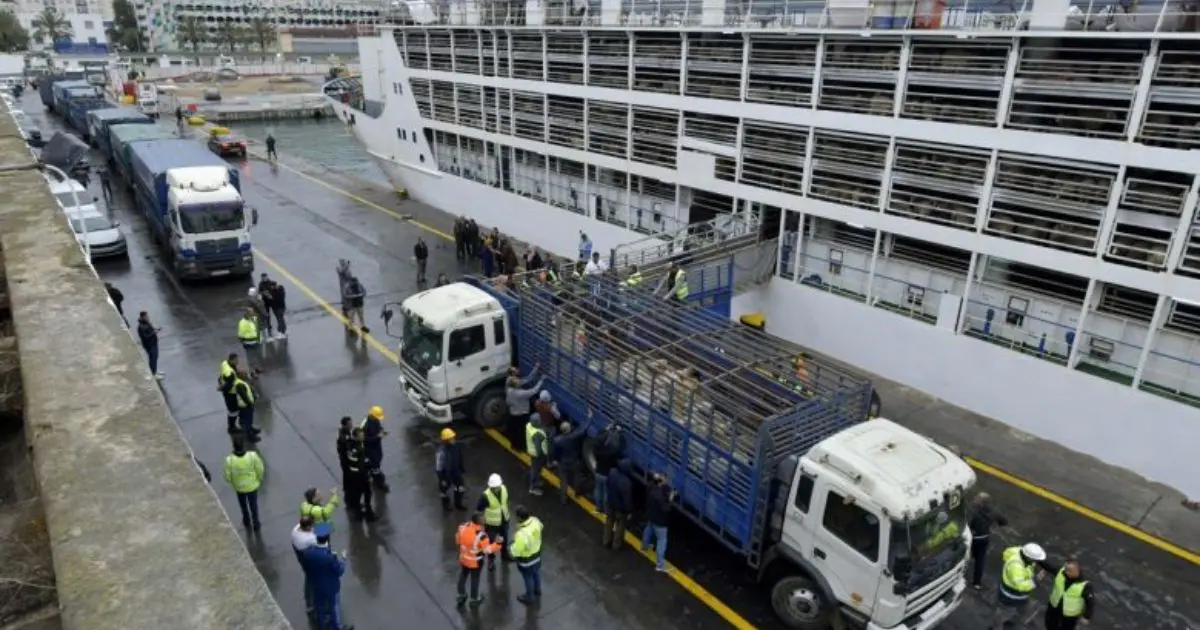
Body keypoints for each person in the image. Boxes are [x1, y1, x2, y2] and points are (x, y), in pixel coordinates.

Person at [301, 523, 353, 630]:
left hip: (317, 585)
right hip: (331, 587)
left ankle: (322, 625)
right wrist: (343, 558)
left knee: (319, 605)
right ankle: (338, 627)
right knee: (334, 607)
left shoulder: (308, 553)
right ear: (327, 539)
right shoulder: (330, 558)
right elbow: (339, 571)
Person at [989, 542, 1047, 630]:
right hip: (1010, 597)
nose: (1036, 562)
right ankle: (995, 627)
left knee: (1017, 611)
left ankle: (1009, 622)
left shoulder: (1020, 552)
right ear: (1028, 558)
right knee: (1002, 614)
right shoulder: (1016, 566)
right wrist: (1036, 580)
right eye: (1035, 560)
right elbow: (1021, 586)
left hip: (1018, 597)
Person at [455, 512, 502, 607]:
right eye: (482, 519)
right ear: (478, 521)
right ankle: (474, 599)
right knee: (475, 579)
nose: (484, 520)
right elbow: (487, 550)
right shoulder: (481, 536)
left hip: (464, 558)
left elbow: (457, 540)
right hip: (475, 561)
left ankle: (461, 595)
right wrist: (497, 544)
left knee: (463, 576)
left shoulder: (463, 527)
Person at [968, 492, 1009, 590]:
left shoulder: (972, 510)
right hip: (984, 538)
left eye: (976, 498)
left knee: (966, 555)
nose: (974, 498)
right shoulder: (993, 512)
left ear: (981, 503)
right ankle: (976, 583)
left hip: (972, 538)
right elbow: (1004, 521)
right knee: (980, 561)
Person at [222, 436, 264, 530]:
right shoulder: (252, 456)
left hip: (239, 487)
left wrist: (232, 481)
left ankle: (246, 521)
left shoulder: (230, 460)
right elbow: (260, 468)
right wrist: (259, 478)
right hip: (252, 486)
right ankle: (256, 523)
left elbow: (227, 476)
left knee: (243, 505)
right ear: (243, 445)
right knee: (253, 506)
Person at [1043, 558, 1094, 630]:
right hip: (1053, 607)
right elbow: (1048, 567)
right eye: (1066, 569)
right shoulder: (1061, 572)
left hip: (1070, 616)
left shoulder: (1085, 585)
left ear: (1077, 571)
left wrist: (1086, 616)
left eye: (1069, 571)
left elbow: (1090, 602)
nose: (1066, 572)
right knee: (1049, 625)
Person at [509, 505, 543, 605]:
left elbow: (516, 551)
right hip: (537, 555)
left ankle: (529, 597)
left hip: (526, 561)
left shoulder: (522, 534)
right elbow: (541, 527)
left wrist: (511, 548)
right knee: (536, 573)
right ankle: (538, 590)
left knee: (528, 578)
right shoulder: (535, 521)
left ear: (519, 518)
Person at [641, 472, 675, 572]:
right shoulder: (661, 497)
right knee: (662, 541)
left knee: (648, 529)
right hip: (660, 521)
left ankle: (644, 547)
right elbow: (666, 508)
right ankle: (660, 565)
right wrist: (671, 498)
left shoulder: (650, 487)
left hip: (651, 515)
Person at [505, 367, 543, 452]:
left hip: (513, 412)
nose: (519, 381)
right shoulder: (520, 394)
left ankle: (513, 444)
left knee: (514, 430)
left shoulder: (509, 387)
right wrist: (541, 380)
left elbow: (526, 380)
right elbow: (534, 390)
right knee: (522, 432)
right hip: (522, 414)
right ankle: (520, 447)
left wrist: (536, 368)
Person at [476, 474, 510, 568]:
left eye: (497, 487)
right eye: (494, 488)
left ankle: (504, 554)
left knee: (504, 539)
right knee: (491, 542)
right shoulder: (485, 496)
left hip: (504, 520)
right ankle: (491, 560)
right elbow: (479, 509)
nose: (496, 489)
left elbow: (506, 501)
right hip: (491, 524)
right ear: (490, 487)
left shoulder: (503, 489)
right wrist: (480, 524)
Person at [553, 418, 589, 505]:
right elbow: (583, 429)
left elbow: (555, 453)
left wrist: (557, 460)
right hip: (573, 461)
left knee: (563, 481)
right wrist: (589, 418)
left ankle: (563, 499)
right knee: (576, 478)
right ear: (568, 430)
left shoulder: (557, 440)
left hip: (563, 462)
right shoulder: (573, 437)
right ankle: (577, 493)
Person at [344, 427, 376, 521]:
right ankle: (369, 515)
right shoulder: (360, 449)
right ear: (356, 437)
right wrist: (369, 469)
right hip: (361, 476)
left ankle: (358, 515)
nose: (363, 437)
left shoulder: (350, 445)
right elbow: (363, 465)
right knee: (367, 494)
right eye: (361, 436)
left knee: (356, 495)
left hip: (352, 475)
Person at [592, 423, 625, 513]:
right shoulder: (611, 452)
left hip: (598, 472)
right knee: (607, 493)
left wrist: (605, 429)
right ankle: (606, 510)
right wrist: (617, 433)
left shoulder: (597, 449)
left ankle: (598, 507)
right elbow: (616, 446)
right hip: (607, 475)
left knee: (598, 490)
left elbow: (599, 438)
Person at [603, 459, 634, 550]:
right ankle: (616, 545)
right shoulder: (626, 483)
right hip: (620, 509)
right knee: (620, 527)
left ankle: (606, 541)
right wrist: (628, 511)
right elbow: (627, 500)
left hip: (610, 504)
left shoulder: (612, 472)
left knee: (608, 523)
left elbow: (607, 484)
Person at [292, 516, 317, 617]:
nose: (312, 528)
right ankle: (311, 603)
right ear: (307, 528)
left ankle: (310, 601)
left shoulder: (295, 530)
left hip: (299, 553)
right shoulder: (309, 539)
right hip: (306, 556)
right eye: (311, 526)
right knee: (311, 578)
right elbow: (322, 534)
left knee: (309, 577)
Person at [436, 428, 467, 511]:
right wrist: (442, 479)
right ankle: (446, 506)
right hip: (446, 475)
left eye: (453, 438)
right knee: (444, 491)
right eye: (451, 438)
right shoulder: (441, 452)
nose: (453, 439)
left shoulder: (456, 446)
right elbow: (439, 467)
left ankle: (458, 504)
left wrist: (461, 468)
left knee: (460, 488)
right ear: (446, 440)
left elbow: (459, 457)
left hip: (456, 472)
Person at [360, 406, 389, 491]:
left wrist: (382, 431)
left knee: (378, 459)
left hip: (376, 446)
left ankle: (372, 472)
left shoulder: (375, 419)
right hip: (369, 448)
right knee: (375, 464)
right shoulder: (365, 425)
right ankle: (379, 482)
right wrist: (377, 437)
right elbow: (365, 440)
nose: (378, 419)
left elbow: (379, 427)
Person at [525, 410, 550, 496]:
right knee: (536, 470)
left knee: (535, 468)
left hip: (531, 451)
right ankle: (533, 488)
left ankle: (536, 481)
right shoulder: (537, 434)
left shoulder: (529, 425)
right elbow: (538, 449)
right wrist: (544, 455)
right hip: (537, 455)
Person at [233, 367, 261, 441]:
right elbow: (244, 396)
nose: (245, 374)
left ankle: (251, 429)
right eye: (243, 373)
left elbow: (250, 381)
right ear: (240, 375)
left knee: (249, 420)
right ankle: (250, 437)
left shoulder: (242, 381)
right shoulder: (239, 384)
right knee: (247, 421)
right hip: (245, 405)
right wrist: (250, 403)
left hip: (247, 404)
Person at [259, 273, 288, 340]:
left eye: (265, 277)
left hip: (276, 305)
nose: (264, 278)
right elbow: (260, 292)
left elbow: (277, 297)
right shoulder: (261, 284)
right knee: (270, 317)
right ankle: (272, 328)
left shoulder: (276, 289)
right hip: (269, 304)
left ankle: (281, 331)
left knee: (279, 318)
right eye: (263, 277)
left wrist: (269, 296)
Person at [218, 353, 242, 433]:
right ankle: (232, 427)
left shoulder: (225, 363)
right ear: (231, 360)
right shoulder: (229, 373)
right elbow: (229, 385)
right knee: (233, 411)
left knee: (232, 410)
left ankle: (232, 426)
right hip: (231, 393)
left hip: (227, 392)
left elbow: (221, 376)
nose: (238, 361)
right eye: (236, 360)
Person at [136, 311, 163, 380]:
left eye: (147, 316)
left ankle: (155, 371)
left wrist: (156, 329)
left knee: (155, 357)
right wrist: (154, 333)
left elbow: (151, 329)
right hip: (149, 345)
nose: (148, 317)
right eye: (146, 316)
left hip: (153, 343)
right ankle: (153, 374)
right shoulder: (141, 327)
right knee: (152, 358)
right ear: (142, 317)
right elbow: (145, 337)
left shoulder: (147, 323)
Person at [237, 307, 263, 373]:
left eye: (253, 312)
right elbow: (241, 334)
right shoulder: (242, 322)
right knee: (250, 358)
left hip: (257, 341)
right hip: (249, 343)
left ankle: (257, 368)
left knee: (257, 356)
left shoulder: (255, 319)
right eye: (251, 312)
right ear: (247, 313)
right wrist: (243, 342)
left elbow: (258, 328)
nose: (253, 313)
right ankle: (252, 372)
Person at [336, 416, 353, 493]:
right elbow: (348, 448)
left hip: (346, 459)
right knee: (348, 476)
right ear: (344, 425)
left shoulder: (347, 432)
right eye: (349, 424)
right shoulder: (343, 437)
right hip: (346, 460)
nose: (351, 425)